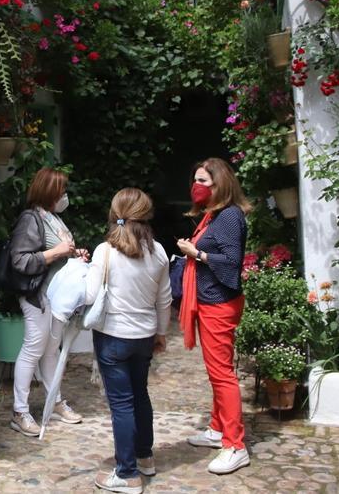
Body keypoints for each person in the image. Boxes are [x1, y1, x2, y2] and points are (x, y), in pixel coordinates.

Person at [88, 188, 172, 494]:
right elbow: (165, 299)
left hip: (112, 337)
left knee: (121, 404)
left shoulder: (104, 251)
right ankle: (144, 456)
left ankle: (126, 473)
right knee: (140, 394)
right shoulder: (159, 251)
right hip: (145, 336)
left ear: (115, 213)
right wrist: (161, 333)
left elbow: (90, 295)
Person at [176, 158, 252, 475]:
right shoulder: (215, 214)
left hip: (219, 303)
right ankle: (218, 428)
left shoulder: (230, 217)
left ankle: (235, 445)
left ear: (219, 183)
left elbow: (232, 263)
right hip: (211, 301)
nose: (197, 186)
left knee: (222, 375)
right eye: (195, 180)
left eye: (203, 181)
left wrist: (198, 254)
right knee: (217, 372)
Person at [7, 167, 89, 437]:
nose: (65, 195)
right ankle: (20, 412)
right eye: (61, 191)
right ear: (49, 192)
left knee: (51, 351)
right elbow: (20, 260)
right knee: (33, 349)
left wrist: (75, 255)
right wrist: (55, 252)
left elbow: (57, 253)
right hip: (36, 296)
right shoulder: (30, 219)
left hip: (54, 296)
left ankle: (54, 402)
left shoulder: (52, 218)